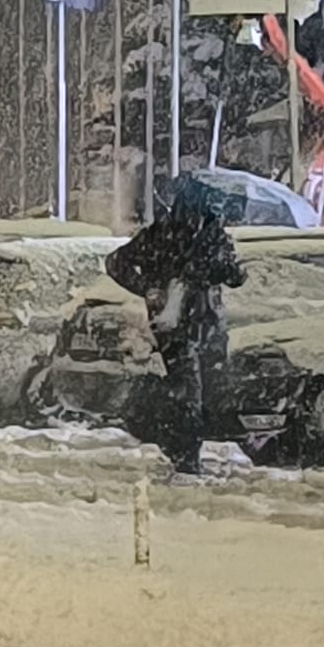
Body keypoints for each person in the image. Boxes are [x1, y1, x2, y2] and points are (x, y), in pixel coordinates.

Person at [107, 185, 247, 472]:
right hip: (181, 326)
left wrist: (220, 264)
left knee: (204, 392)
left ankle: (183, 445)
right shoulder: (164, 234)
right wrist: (149, 288)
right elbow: (115, 262)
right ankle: (185, 457)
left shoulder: (206, 235)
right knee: (188, 392)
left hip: (204, 326)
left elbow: (235, 276)